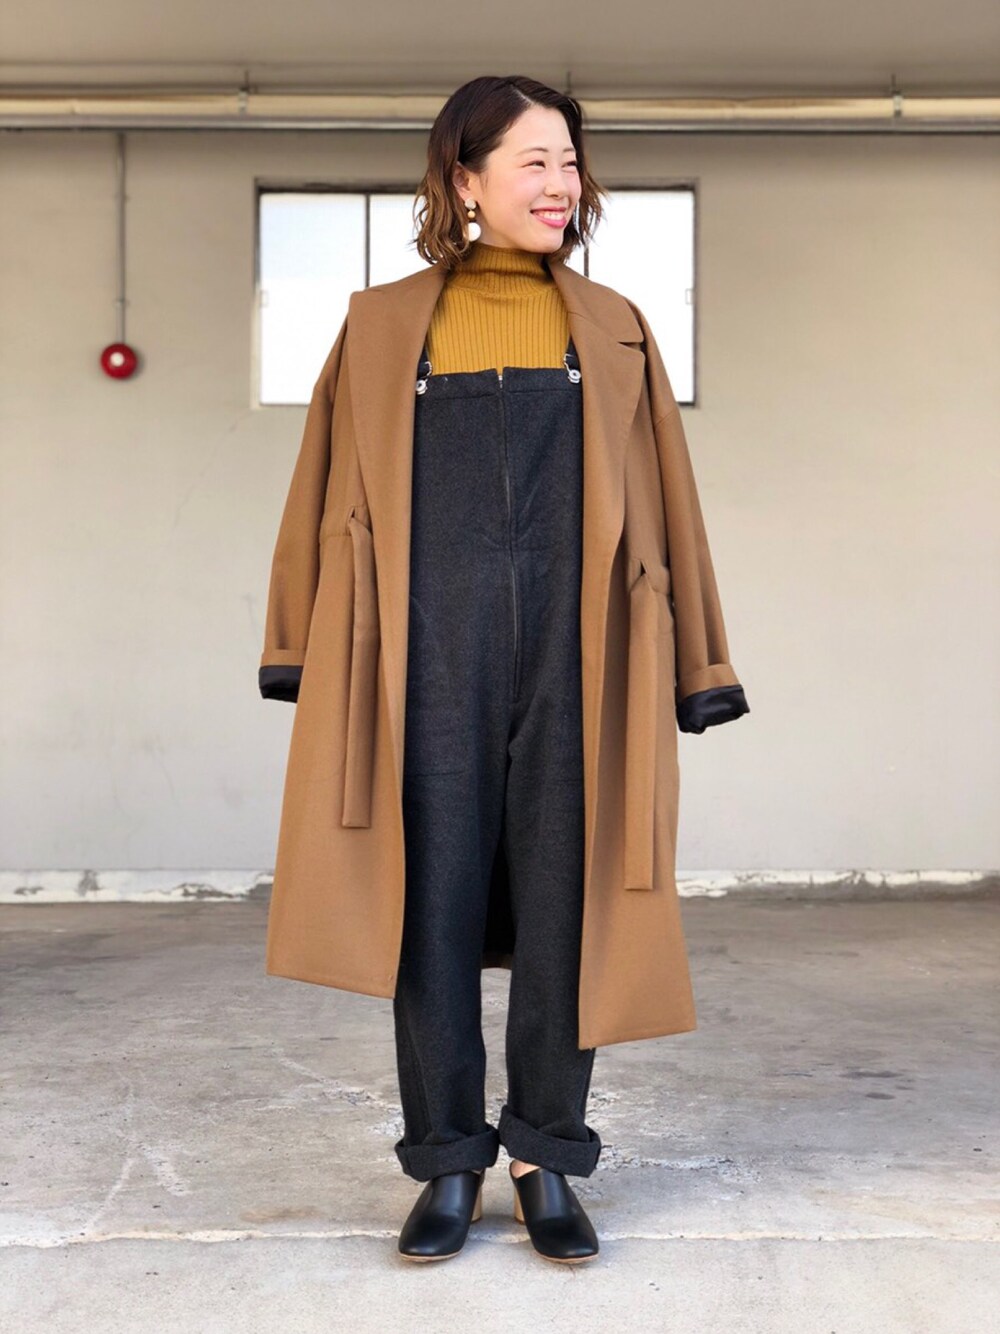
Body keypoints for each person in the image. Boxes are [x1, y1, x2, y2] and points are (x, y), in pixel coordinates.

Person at [257, 73, 749, 1268]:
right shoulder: (382, 325)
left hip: (583, 657)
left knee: (569, 902)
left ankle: (544, 1156)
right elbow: (319, 484)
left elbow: (670, 500)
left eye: (570, 161)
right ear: (463, 179)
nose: (561, 182)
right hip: (424, 654)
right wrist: (294, 641)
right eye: (534, 161)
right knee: (422, 906)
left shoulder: (614, 325)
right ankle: (444, 1158)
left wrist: (699, 658)